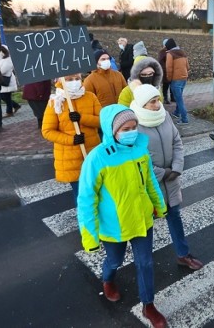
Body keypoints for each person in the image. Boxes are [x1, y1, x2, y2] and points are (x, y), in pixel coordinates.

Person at [77, 105, 168, 328]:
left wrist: (159, 205)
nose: (132, 131)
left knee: (145, 263)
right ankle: (107, 278)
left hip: (142, 219)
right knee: (115, 260)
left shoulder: (140, 149)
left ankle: (149, 305)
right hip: (113, 226)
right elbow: (86, 200)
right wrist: (89, 237)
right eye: (126, 128)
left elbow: (149, 181)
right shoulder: (97, 159)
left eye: (134, 126)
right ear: (111, 130)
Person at [131, 84, 204, 271]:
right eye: (152, 102)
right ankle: (144, 263)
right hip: (151, 186)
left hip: (171, 180)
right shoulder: (133, 125)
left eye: (158, 100)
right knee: (147, 225)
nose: (157, 105)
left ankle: (183, 254)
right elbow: (138, 160)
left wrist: (177, 167)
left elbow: (177, 142)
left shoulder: (164, 116)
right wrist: (163, 173)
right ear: (141, 104)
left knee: (174, 216)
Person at [42, 73, 102, 204]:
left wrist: (83, 118)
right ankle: (86, 222)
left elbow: (101, 121)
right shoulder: (55, 102)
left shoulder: (90, 97)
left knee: (99, 191)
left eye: (77, 79)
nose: (74, 82)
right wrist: (71, 140)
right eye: (69, 79)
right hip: (70, 159)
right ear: (61, 81)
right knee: (82, 197)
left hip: (92, 153)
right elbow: (47, 131)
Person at [164, 38, 190, 124]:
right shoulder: (182, 53)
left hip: (176, 79)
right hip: (184, 78)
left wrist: (169, 78)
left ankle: (184, 119)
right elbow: (188, 66)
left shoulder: (170, 54)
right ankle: (177, 112)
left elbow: (169, 68)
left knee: (179, 99)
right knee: (179, 97)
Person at [0, 46, 21, 117]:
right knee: (4, 96)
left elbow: (3, 70)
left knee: (6, 96)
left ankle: (9, 111)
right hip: (3, 80)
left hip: (7, 80)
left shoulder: (8, 59)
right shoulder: (1, 59)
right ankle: (15, 105)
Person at [157, 40, 172, 105]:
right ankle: (165, 98)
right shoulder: (162, 52)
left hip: (169, 70)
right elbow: (160, 61)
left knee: (171, 85)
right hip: (165, 71)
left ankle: (172, 97)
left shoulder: (170, 51)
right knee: (166, 86)